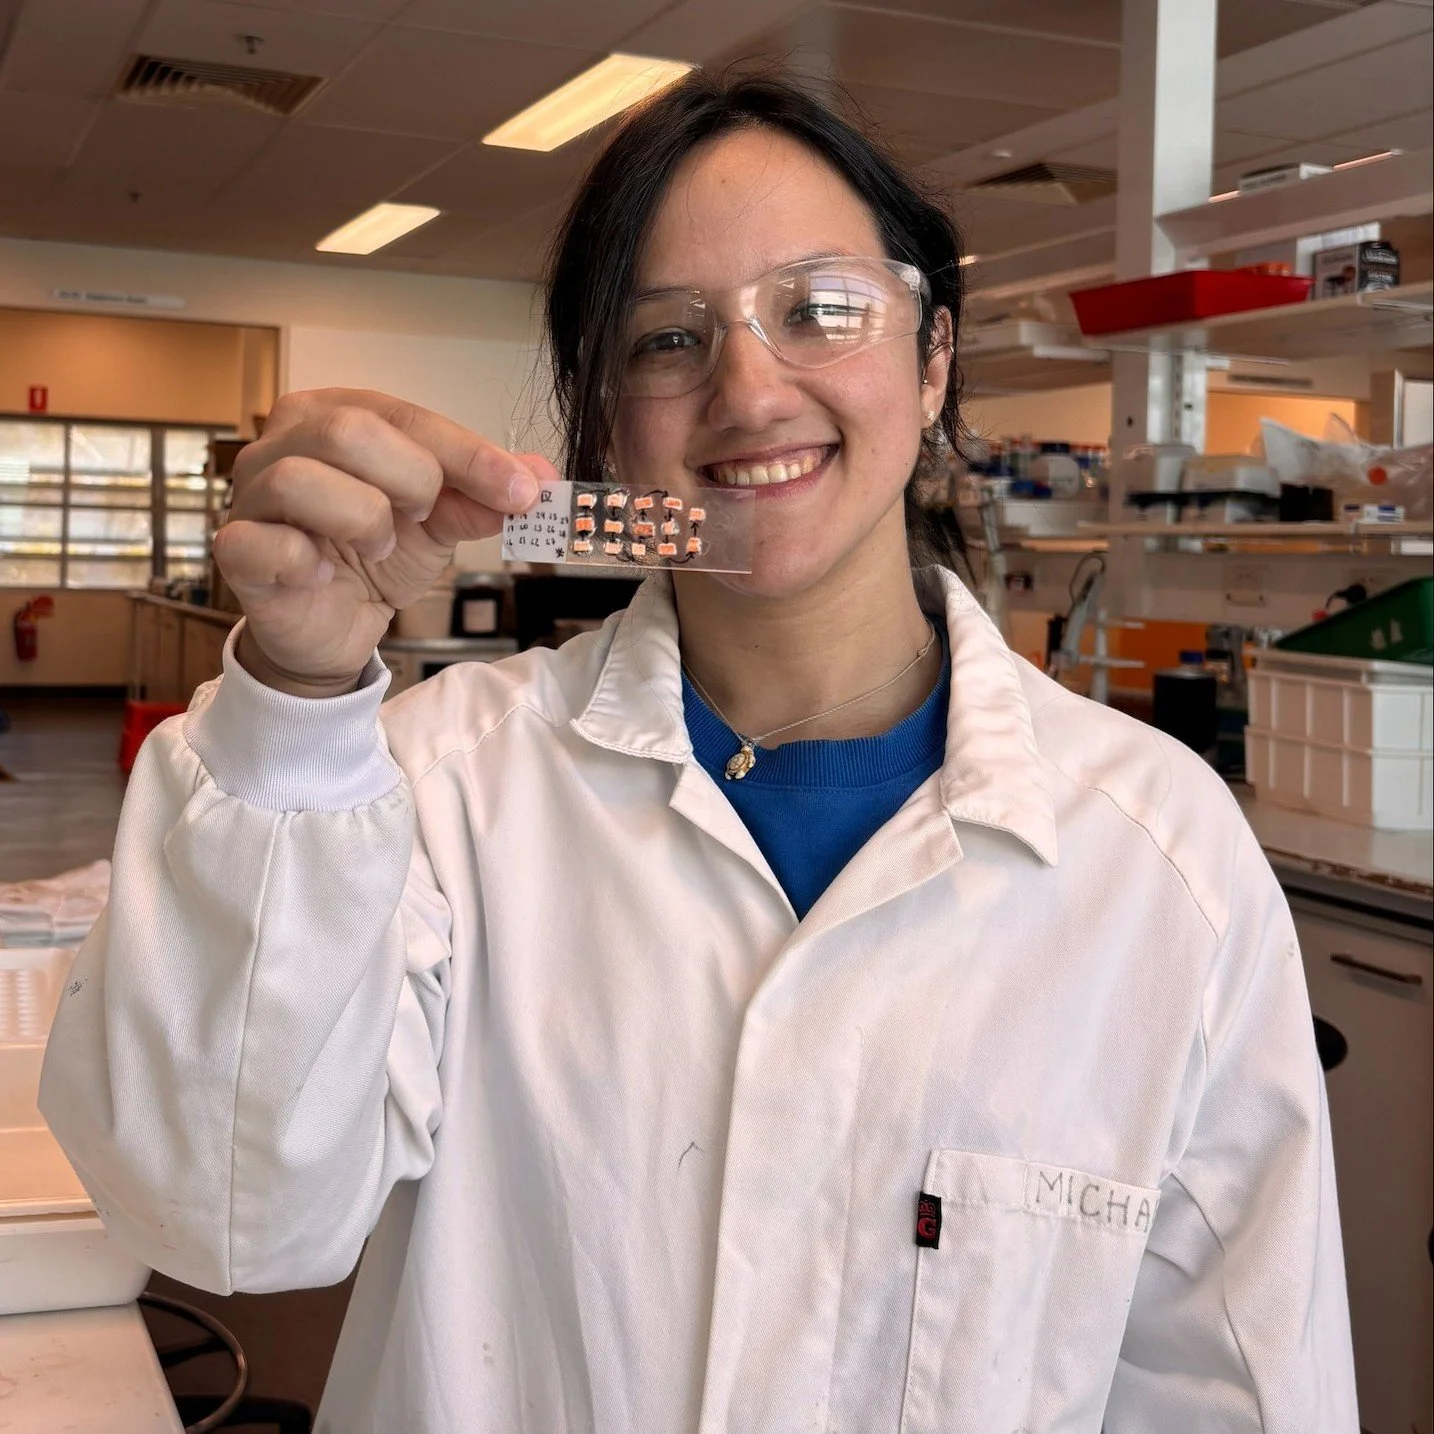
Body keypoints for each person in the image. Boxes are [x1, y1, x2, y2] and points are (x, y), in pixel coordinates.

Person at [40, 71, 1357, 1434]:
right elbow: (230, 1221)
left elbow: (1237, 1384)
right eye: (665, 340)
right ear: (604, 422)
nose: (747, 387)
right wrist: (297, 699)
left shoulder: (1159, 854)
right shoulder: (438, 786)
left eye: (819, 310)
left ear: (933, 357)